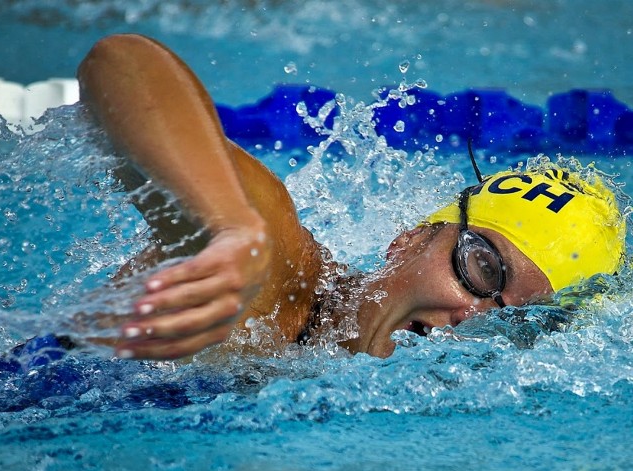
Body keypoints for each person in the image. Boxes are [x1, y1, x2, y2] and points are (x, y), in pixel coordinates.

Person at [76, 33, 626, 362]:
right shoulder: (272, 275)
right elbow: (122, 63)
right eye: (483, 269)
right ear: (410, 239)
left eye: (517, 321)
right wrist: (229, 226)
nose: (473, 317)